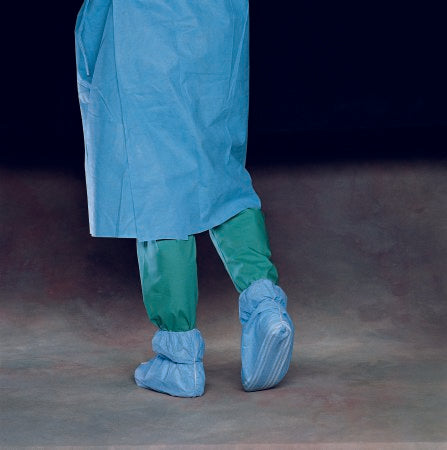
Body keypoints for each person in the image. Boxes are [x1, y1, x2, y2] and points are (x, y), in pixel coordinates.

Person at [74, 0, 294, 397]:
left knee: (157, 184)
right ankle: (264, 304)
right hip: (216, 27)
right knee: (220, 174)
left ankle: (179, 360)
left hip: (145, 28)